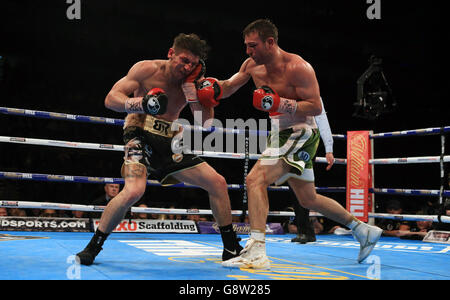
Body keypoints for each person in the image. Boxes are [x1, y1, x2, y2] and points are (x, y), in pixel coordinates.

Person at [197, 19, 382, 269]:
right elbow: (230, 86)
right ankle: (362, 230)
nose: (248, 51)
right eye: (246, 46)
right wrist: (214, 87)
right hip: (280, 133)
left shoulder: (298, 67)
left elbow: (316, 106)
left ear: (270, 42)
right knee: (308, 199)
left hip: (301, 132)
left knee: (255, 180)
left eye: (253, 45)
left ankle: (258, 250)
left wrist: (279, 103)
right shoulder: (252, 65)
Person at [75, 33, 242, 265]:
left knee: (218, 182)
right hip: (139, 132)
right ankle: (93, 246)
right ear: (170, 53)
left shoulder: (193, 82)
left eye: (192, 64)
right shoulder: (146, 69)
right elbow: (111, 99)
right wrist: (142, 103)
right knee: (134, 190)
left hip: (171, 139)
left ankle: (231, 247)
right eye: (183, 60)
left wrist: (193, 93)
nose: (187, 67)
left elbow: (205, 123)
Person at [291, 98, 335, 243]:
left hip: (308, 143)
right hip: (290, 142)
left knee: (302, 186)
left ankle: (306, 231)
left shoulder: (310, 91)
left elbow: (322, 118)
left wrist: (329, 149)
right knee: (295, 187)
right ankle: (303, 229)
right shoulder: (288, 89)